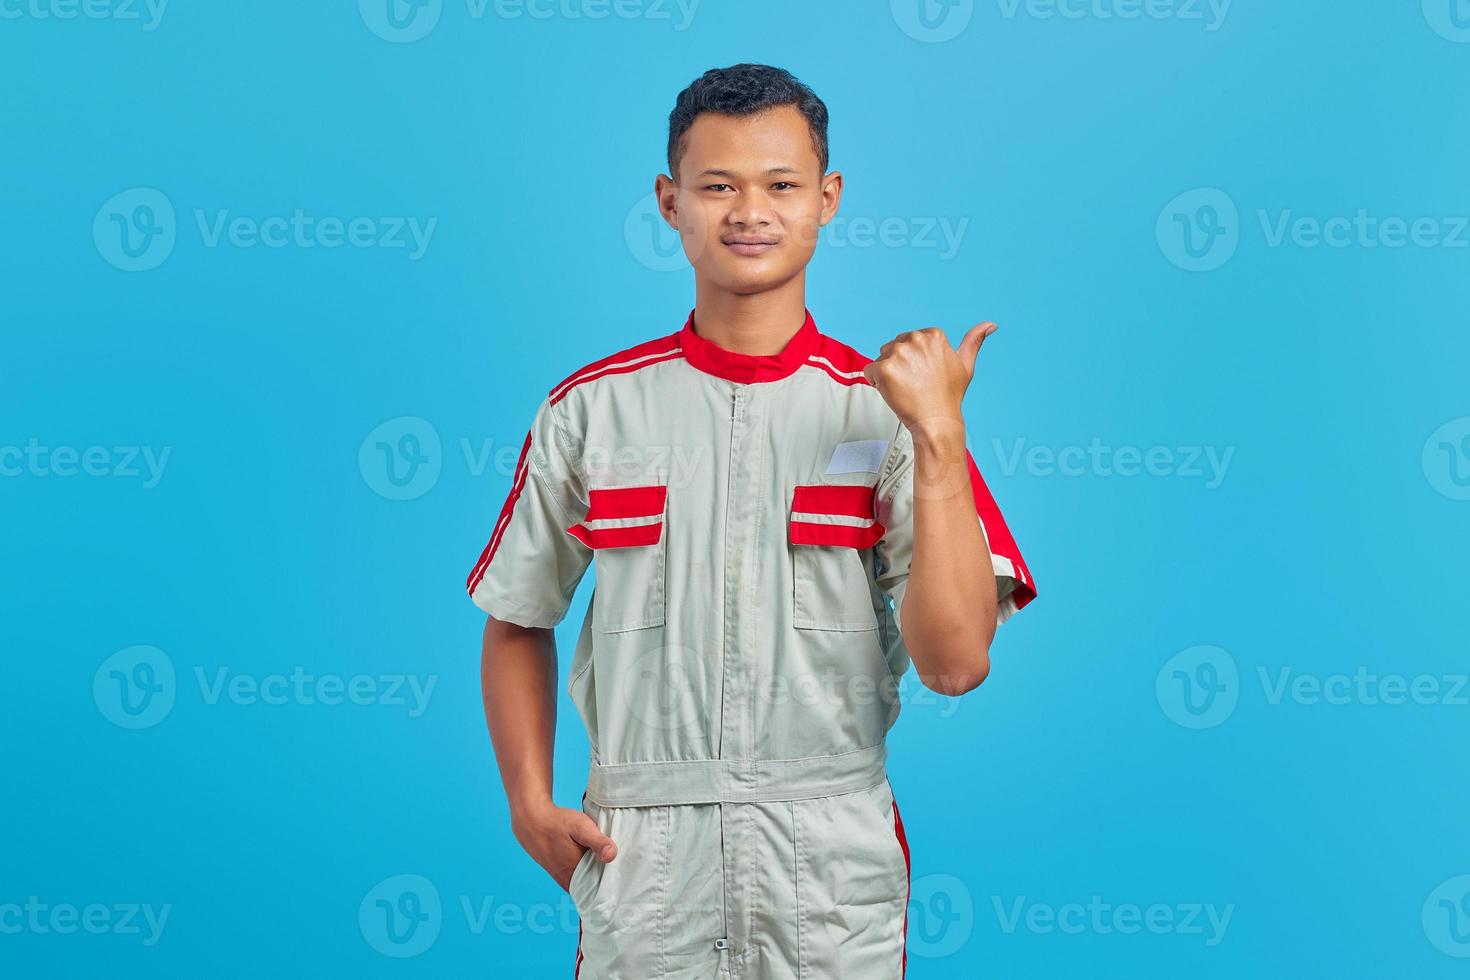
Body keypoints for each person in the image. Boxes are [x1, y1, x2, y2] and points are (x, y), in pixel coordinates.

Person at [468, 63, 1036, 979]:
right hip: (644, 856)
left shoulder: (886, 413)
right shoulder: (591, 412)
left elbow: (957, 663)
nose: (749, 211)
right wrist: (527, 799)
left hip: (828, 859)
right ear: (670, 202)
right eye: (717, 185)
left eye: (781, 184)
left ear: (827, 199)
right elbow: (517, 614)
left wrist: (937, 435)